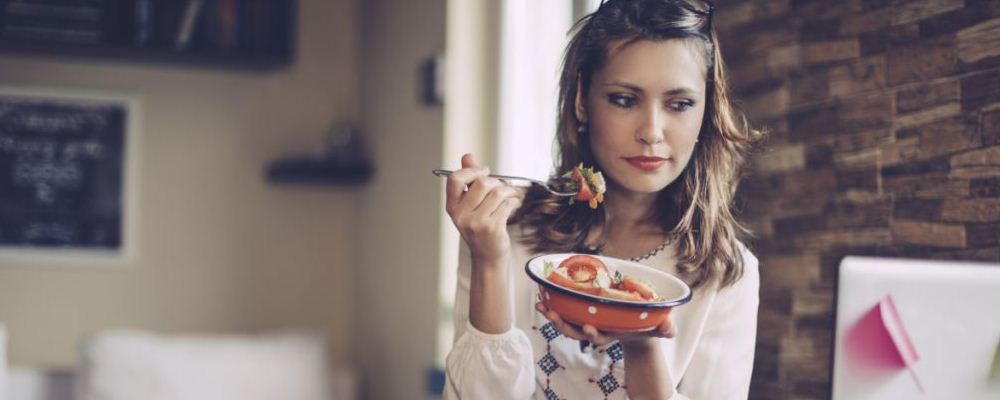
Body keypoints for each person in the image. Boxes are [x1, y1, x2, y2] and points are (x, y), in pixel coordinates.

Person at [443, 0, 764, 398]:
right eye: (624, 99)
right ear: (582, 100)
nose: (651, 131)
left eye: (679, 104)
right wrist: (490, 261)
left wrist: (642, 343)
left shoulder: (726, 272)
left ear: (705, 112)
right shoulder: (505, 230)